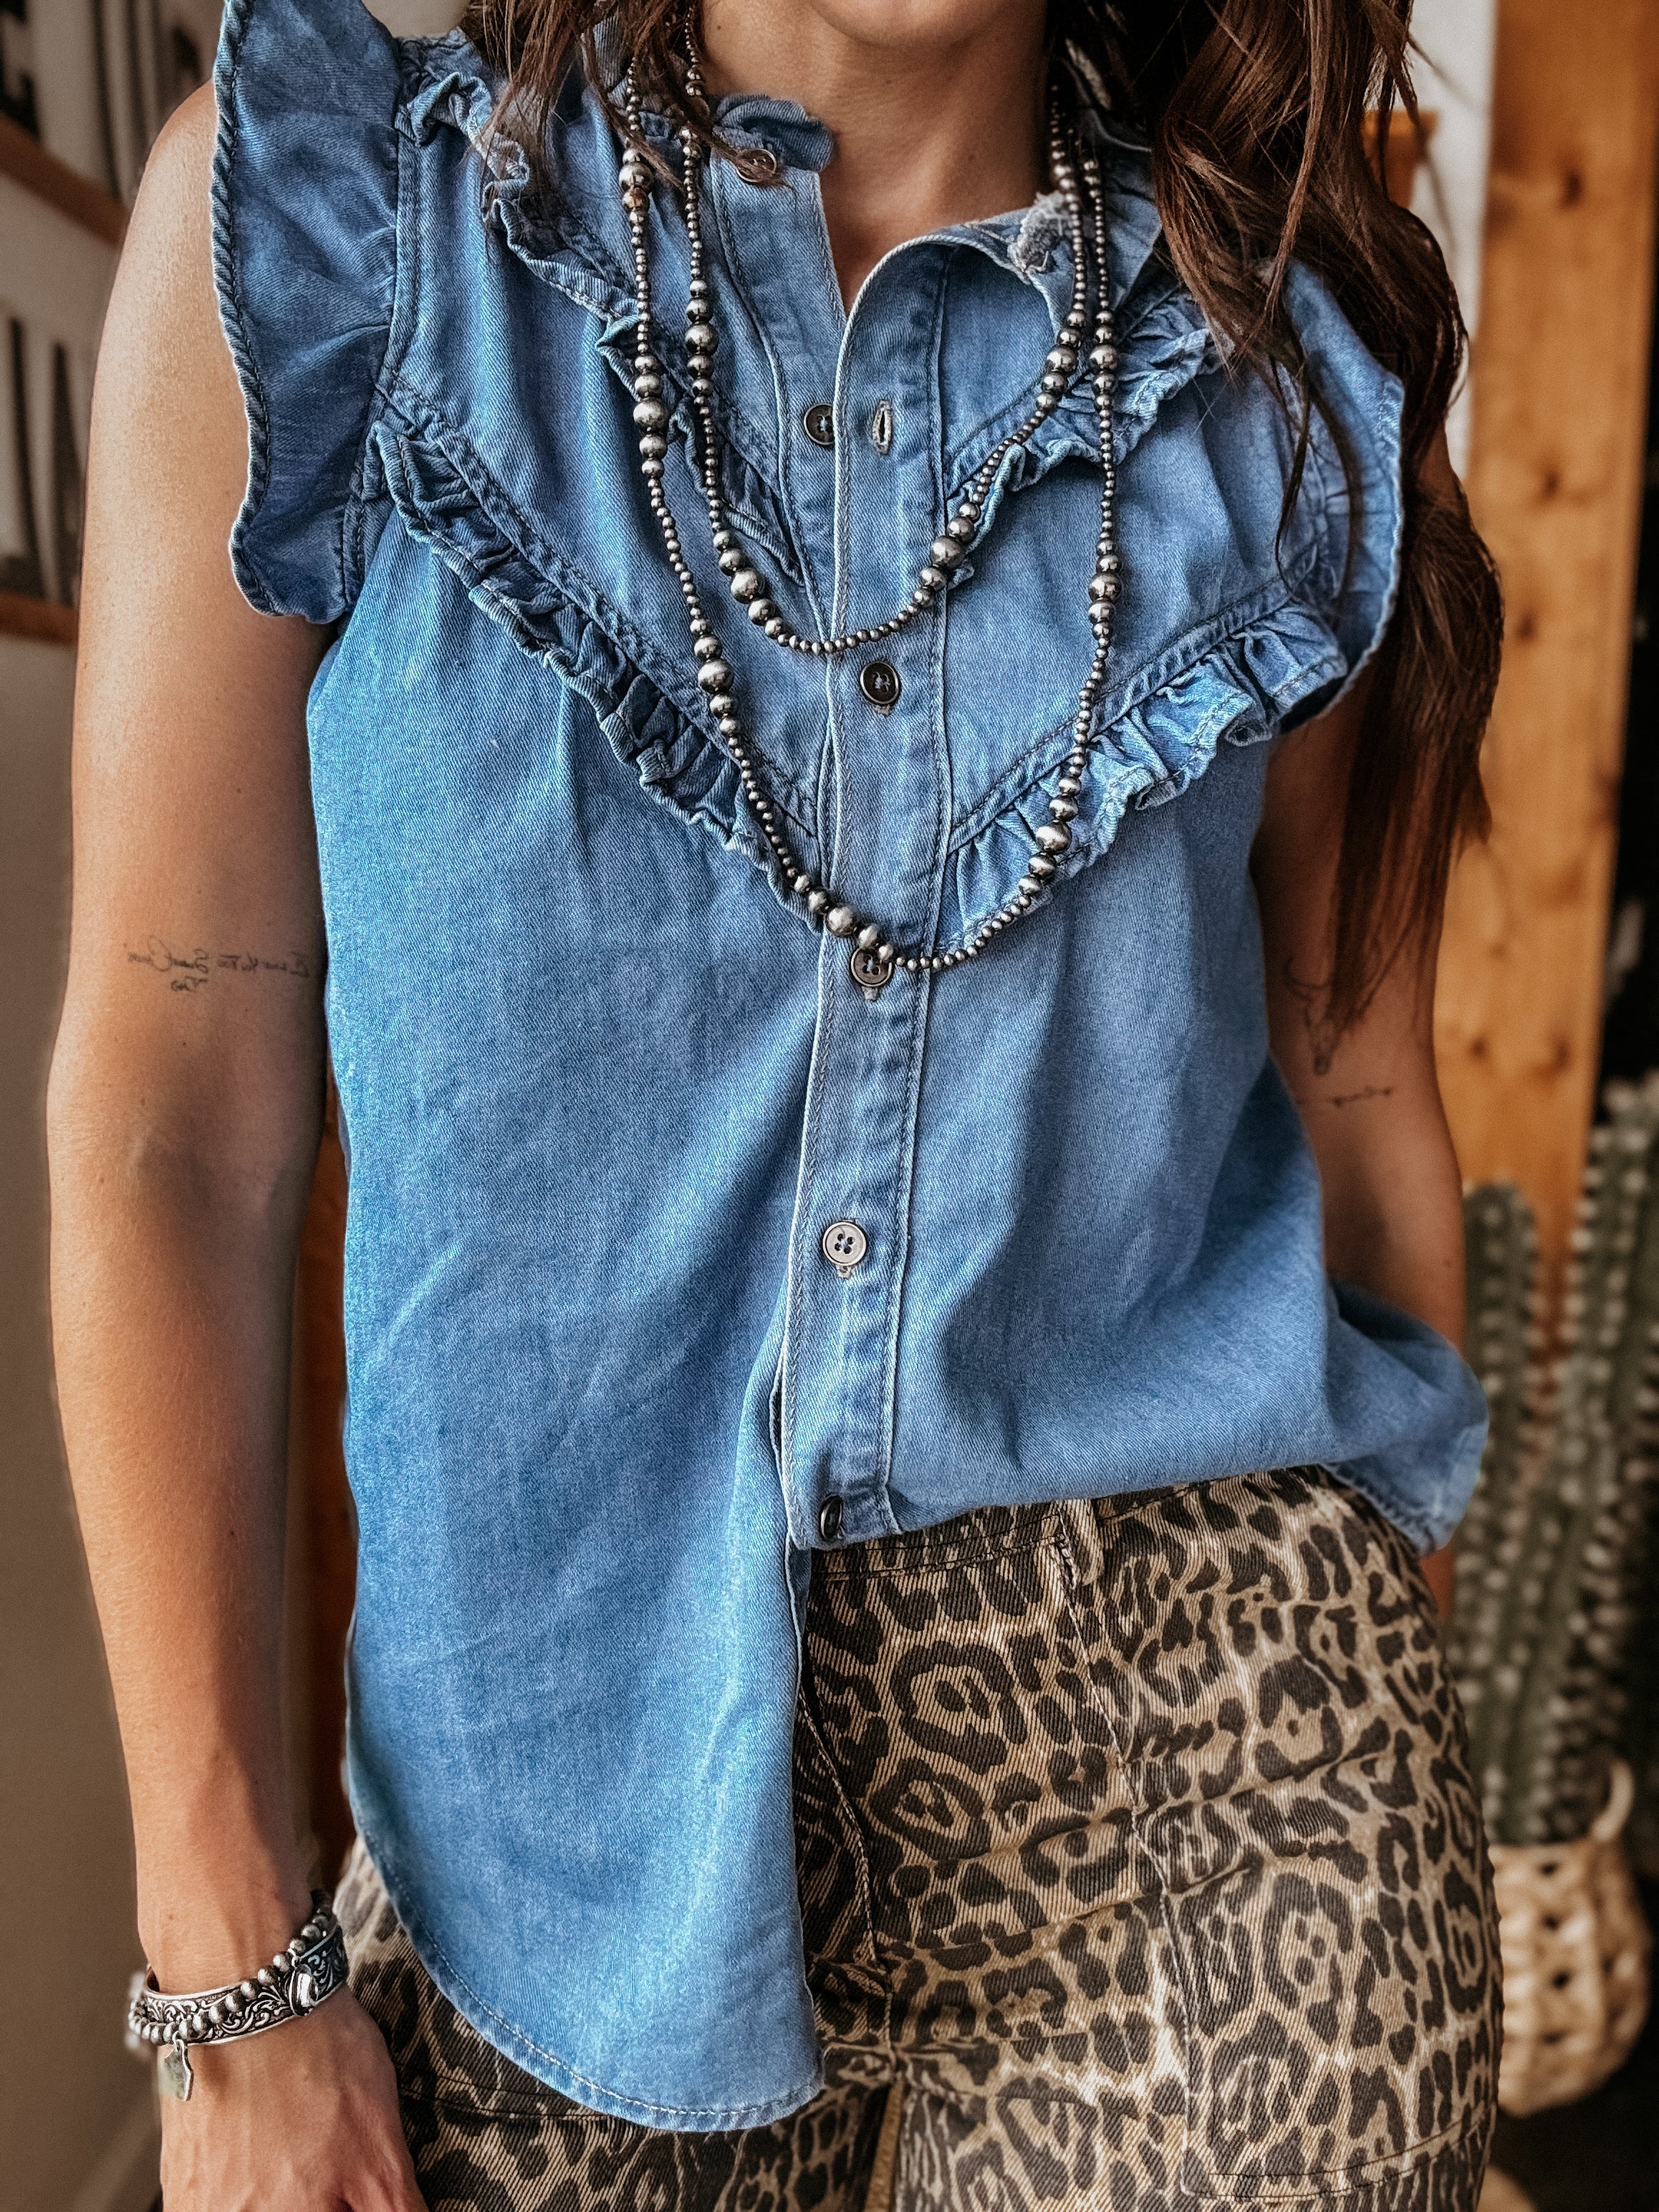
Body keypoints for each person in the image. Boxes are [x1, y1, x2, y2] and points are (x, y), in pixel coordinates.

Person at [49, 0, 1507, 2204]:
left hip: (1223, 1840)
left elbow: (1362, 1086)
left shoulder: (1277, 366)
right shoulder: (340, 240)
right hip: (538, 1866)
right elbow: (174, 1123)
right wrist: (224, 1968)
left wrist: (1386, 1648)